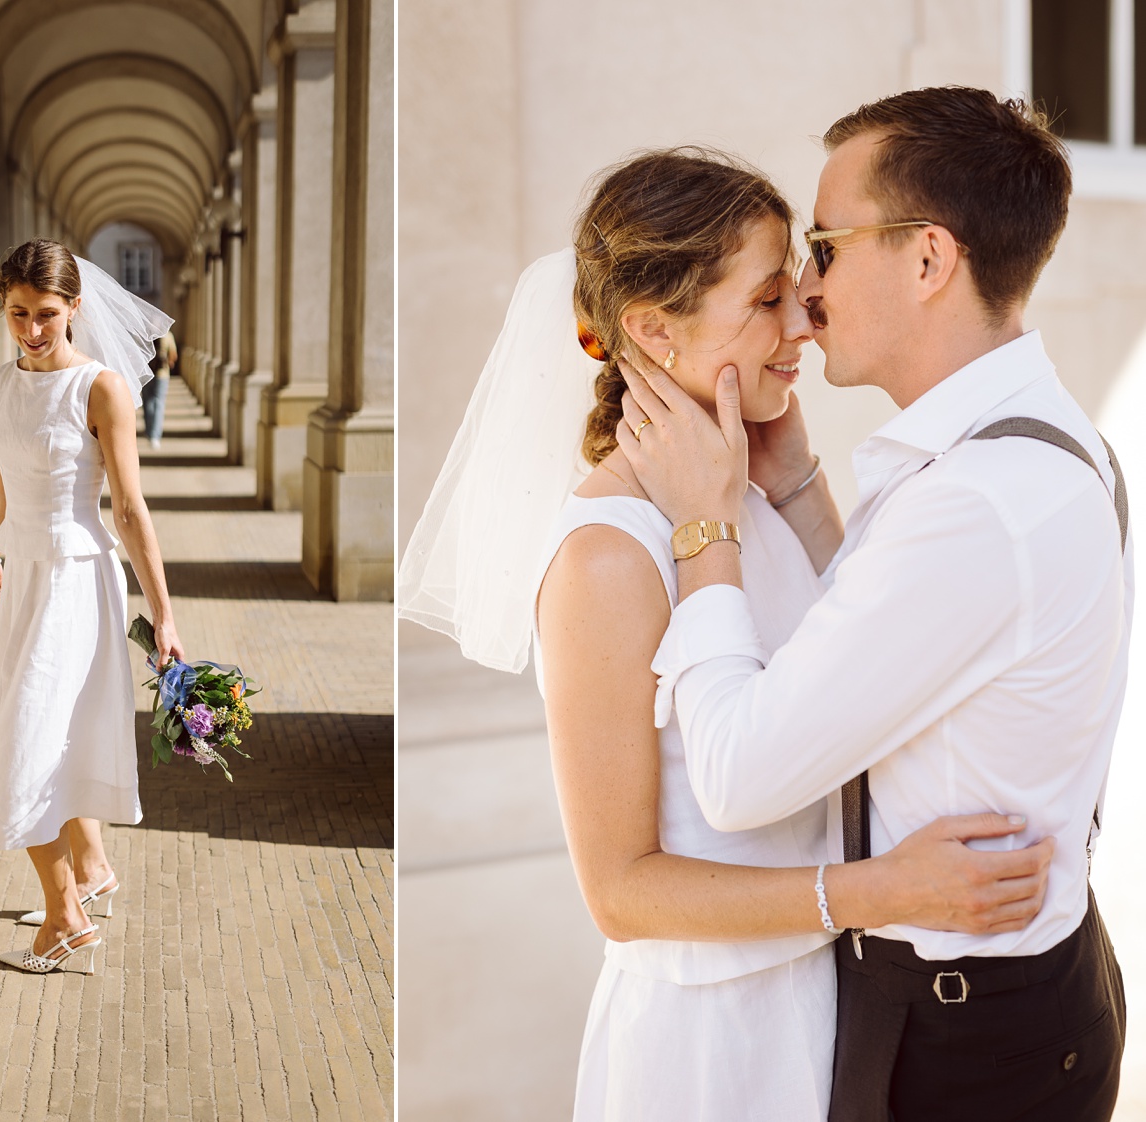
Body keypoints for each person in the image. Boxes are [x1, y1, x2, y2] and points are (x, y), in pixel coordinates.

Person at [398, 148, 1056, 1120]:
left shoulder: (746, 495)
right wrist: (881, 891)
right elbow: (621, 891)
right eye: (764, 303)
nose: (804, 322)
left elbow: (855, 672)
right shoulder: (606, 559)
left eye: (797, 289)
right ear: (654, 331)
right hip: (712, 1050)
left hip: (835, 1006)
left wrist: (793, 489)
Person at [615, 89, 1130, 1120]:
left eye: (827, 246)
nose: (807, 292)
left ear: (929, 259)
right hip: (1026, 996)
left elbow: (739, 772)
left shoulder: (976, 501)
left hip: (964, 1041)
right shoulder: (1011, 441)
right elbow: (891, 648)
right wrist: (800, 489)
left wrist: (706, 524)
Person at [0, 238, 186, 975]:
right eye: (18, 313)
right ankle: (91, 869)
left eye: (47, 314)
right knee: (49, 729)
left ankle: (64, 920)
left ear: (74, 309)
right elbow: (1, 475)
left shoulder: (102, 389)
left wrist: (163, 612)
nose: (33, 329)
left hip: (75, 577)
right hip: (24, 571)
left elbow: (129, 508)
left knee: (24, 744)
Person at [143, 328, 178, 449]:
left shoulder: (146, 335)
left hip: (147, 373)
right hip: (162, 374)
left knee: (148, 403)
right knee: (159, 403)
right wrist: (168, 363)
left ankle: (149, 431)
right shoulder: (168, 335)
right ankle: (155, 436)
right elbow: (173, 355)